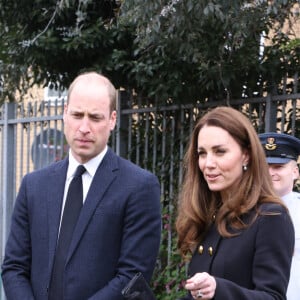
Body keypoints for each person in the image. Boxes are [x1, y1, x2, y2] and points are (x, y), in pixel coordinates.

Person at [1, 72, 161, 300]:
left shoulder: (138, 187)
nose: (84, 127)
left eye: (95, 118)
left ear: (112, 119)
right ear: (65, 113)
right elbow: (14, 267)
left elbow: (132, 276)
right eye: (77, 115)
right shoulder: (33, 186)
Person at [176, 106, 294, 300]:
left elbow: (273, 297)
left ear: (246, 155)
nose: (208, 163)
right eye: (202, 153)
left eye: (220, 152)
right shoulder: (210, 214)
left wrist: (219, 289)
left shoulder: (270, 217)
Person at [259, 132, 300, 300]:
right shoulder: (241, 212)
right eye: (265, 167)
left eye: (278, 167)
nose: (270, 173)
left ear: (295, 172)